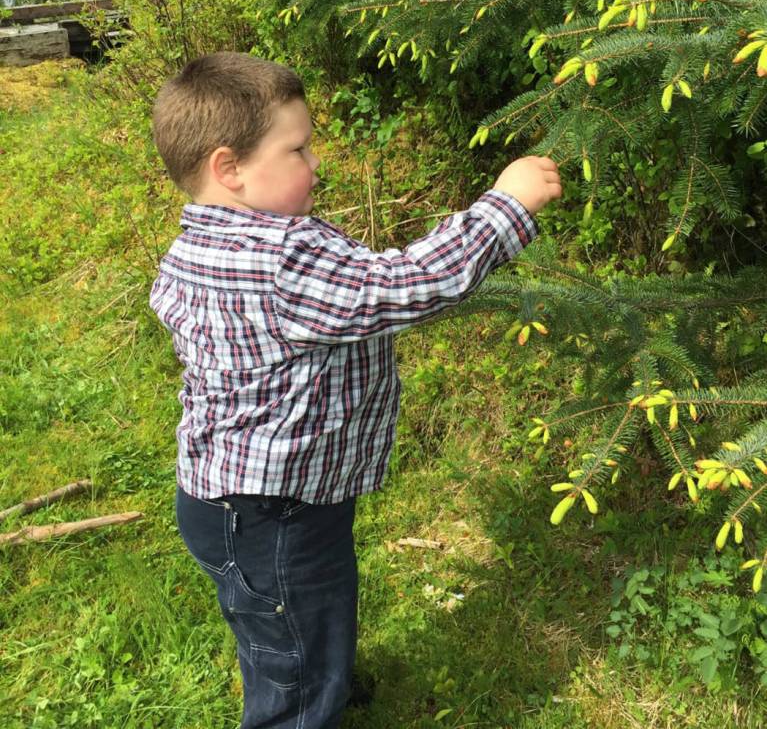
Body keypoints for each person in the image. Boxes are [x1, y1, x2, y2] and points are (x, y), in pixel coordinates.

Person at [148, 51, 561, 729]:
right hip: (275, 510)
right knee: (292, 636)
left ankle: (313, 668)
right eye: (298, 149)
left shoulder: (197, 244)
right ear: (230, 169)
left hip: (231, 497)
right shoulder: (278, 258)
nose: (316, 164)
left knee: (280, 615)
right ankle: (306, 696)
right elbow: (404, 285)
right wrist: (502, 207)